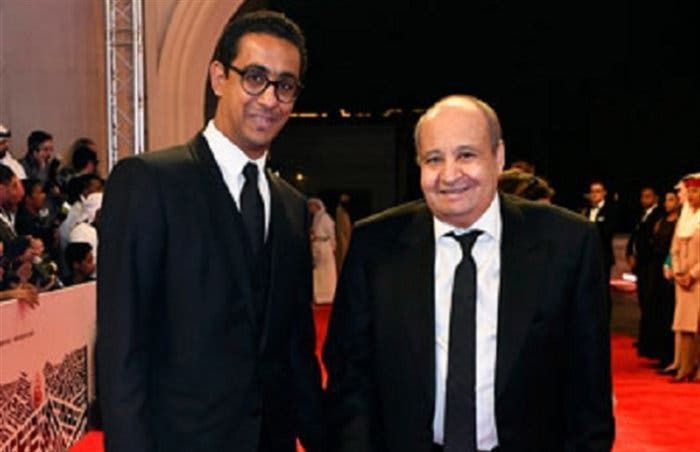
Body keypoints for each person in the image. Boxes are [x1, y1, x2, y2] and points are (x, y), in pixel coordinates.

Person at [323, 95, 614, 452]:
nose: (449, 175)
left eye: (466, 155)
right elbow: (349, 381)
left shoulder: (568, 243)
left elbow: (589, 393)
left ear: (498, 157)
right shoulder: (375, 246)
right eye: (434, 159)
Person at [97, 11, 324, 452]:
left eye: (285, 85)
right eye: (254, 77)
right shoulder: (149, 182)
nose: (270, 98)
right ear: (219, 77)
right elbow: (121, 347)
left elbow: (296, 352)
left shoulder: (292, 208)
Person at [625, 186, 663, 358]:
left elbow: (650, 241)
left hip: (650, 264)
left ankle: (649, 341)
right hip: (640, 265)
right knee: (642, 300)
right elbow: (634, 237)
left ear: (656, 198)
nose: (644, 199)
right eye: (642, 196)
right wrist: (629, 254)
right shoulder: (642, 215)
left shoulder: (657, 215)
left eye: (648, 196)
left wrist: (640, 257)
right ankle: (644, 338)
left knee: (649, 302)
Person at [669, 174, 700, 382]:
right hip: (683, 281)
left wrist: (693, 274)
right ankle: (685, 367)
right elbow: (675, 249)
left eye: (695, 191)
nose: (690, 195)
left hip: (698, 280)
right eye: (688, 191)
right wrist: (679, 272)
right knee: (685, 325)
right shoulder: (685, 217)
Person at [648, 190, 681, 368]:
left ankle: (672, 356)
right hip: (657, 269)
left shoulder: (680, 222)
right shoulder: (660, 221)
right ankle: (661, 353)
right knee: (659, 311)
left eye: (671, 199)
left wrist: (670, 265)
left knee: (670, 312)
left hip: (672, 270)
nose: (668, 203)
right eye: (666, 200)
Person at [581, 180, 619, 319]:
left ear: (604, 193)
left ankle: (604, 320)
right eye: (592, 192)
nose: (594, 194)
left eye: (598, 191)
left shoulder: (610, 210)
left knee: (603, 291)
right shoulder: (586, 211)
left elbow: (607, 231)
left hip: (603, 256)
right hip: (587, 257)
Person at [308, 197, 337, 304]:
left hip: (325, 246)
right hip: (316, 245)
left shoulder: (325, 218)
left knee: (326, 272)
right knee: (318, 273)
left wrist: (333, 246)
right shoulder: (315, 218)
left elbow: (331, 233)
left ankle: (328, 296)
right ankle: (319, 296)